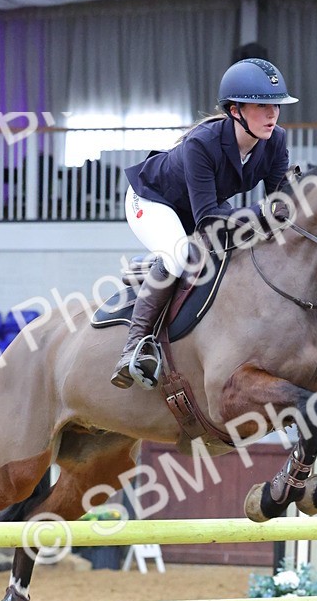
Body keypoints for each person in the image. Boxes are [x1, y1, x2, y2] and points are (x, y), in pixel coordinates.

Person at [110, 57, 299, 389]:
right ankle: (134, 347)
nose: (272, 114)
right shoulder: (202, 143)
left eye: (276, 106)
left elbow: (280, 205)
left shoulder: (276, 141)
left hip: (200, 203)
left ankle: (154, 272)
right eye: (262, 106)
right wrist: (264, 213)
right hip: (153, 200)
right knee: (178, 256)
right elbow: (209, 219)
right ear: (235, 110)